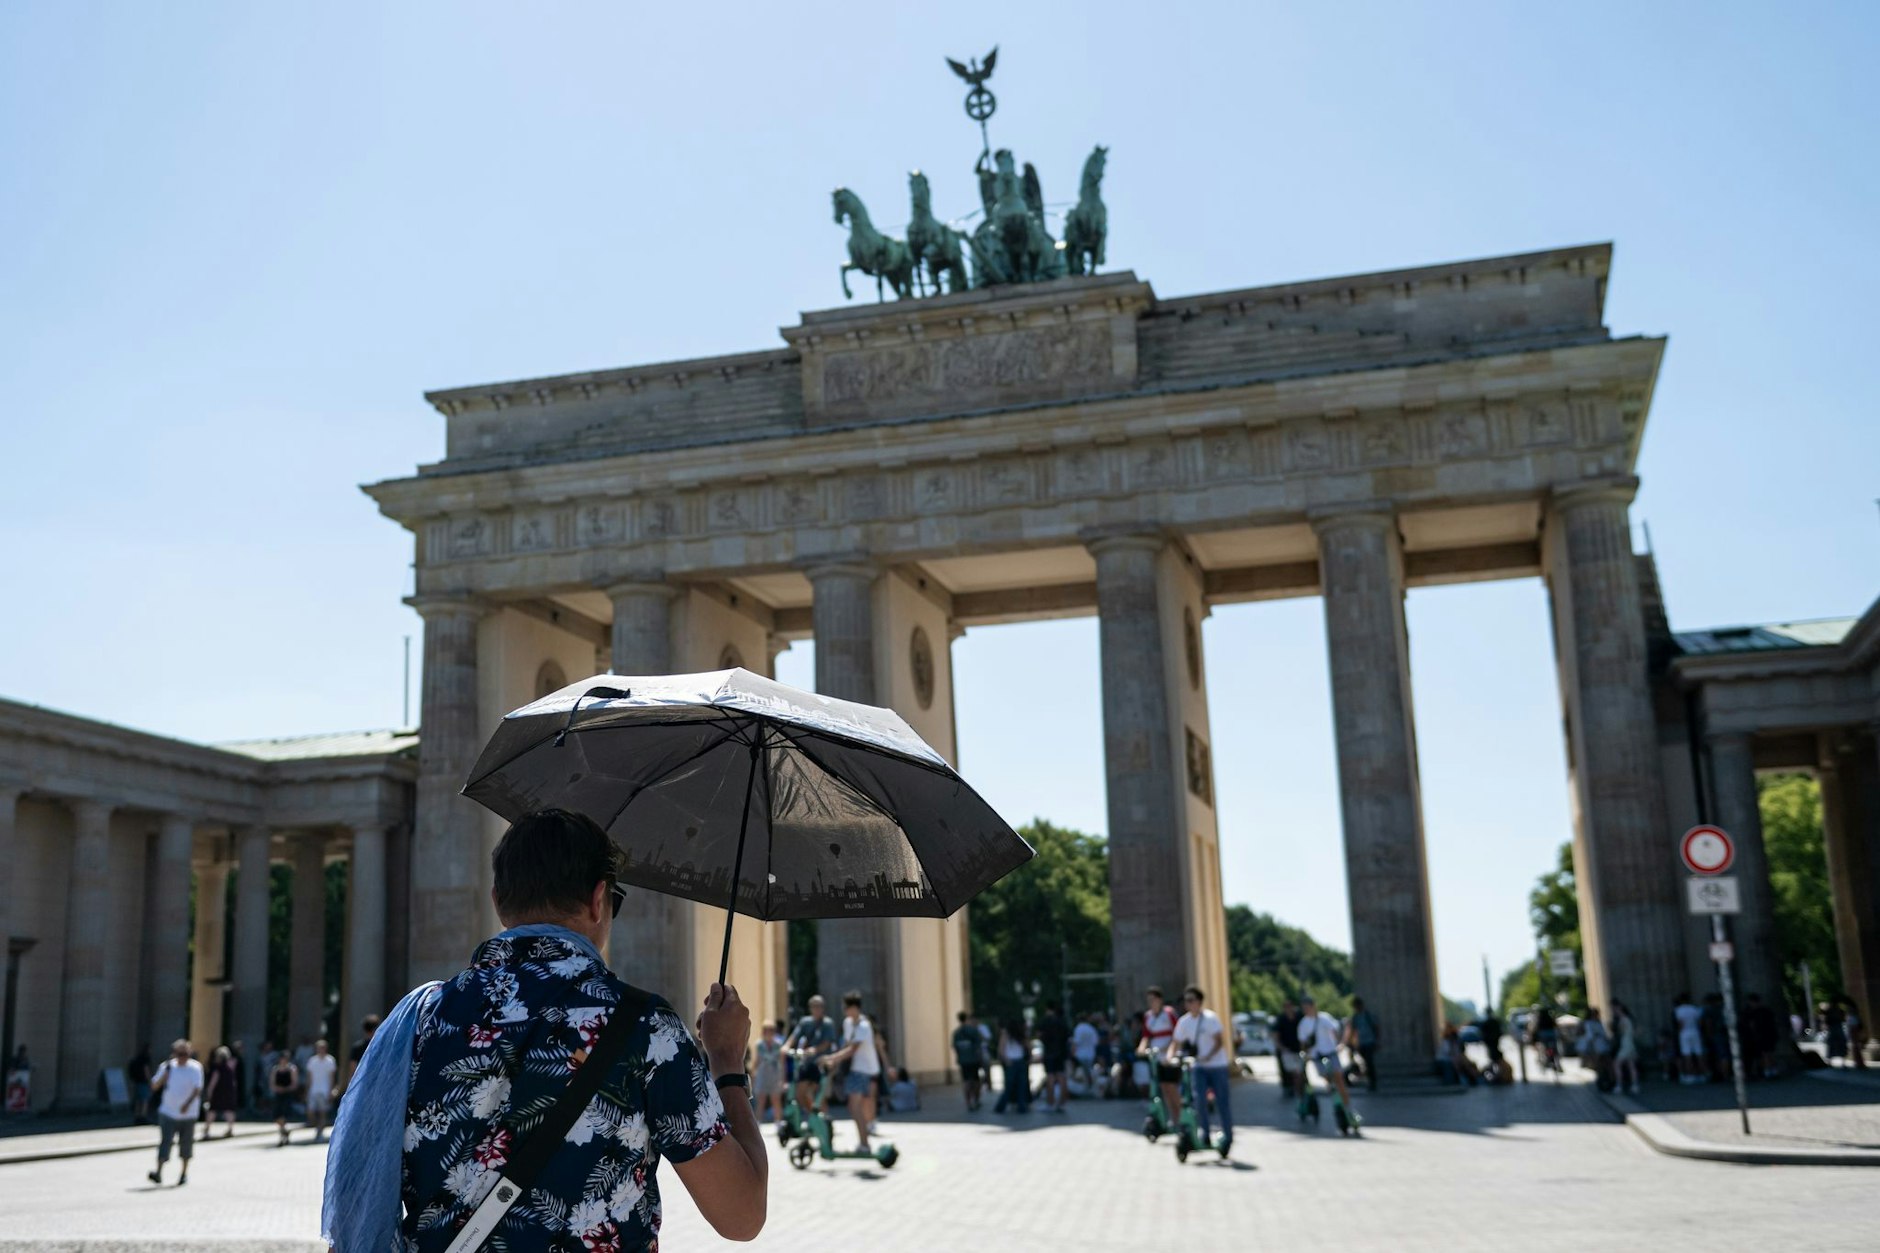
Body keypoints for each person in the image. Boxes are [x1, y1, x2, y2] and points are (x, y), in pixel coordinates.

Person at [321, 808, 767, 1253]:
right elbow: (741, 1215)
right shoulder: (648, 1030)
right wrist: (727, 1064)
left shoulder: (420, 1020)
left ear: (498, 902)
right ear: (598, 900)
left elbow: (361, 1190)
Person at [1168, 984, 1232, 1152]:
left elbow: (1219, 1041)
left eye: (1191, 1000)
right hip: (1198, 1067)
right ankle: (1204, 1133)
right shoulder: (1184, 1021)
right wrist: (1170, 1057)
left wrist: (1208, 1056)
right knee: (1199, 1100)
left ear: (1199, 1002)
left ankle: (1228, 1135)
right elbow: (1176, 1042)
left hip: (1217, 1065)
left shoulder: (1211, 1019)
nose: (1188, 1004)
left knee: (1222, 1101)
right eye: (1186, 1001)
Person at [824, 990, 883, 1153]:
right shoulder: (848, 1023)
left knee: (856, 1106)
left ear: (854, 1008)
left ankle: (865, 1143)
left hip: (862, 1070)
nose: (845, 1011)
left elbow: (853, 1049)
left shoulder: (864, 1025)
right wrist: (835, 1063)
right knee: (855, 1106)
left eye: (846, 1008)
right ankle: (864, 1141)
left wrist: (833, 1058)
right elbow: (846, 1045)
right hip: (853, 1070)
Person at [146, 1038, 203, 1187]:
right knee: (165, 1142)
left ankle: (183, 1173)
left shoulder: (195, 1068)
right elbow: (154, 1086)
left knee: (186, 1144)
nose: (182, 1057)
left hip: (188, 1114)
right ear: (174, 1053)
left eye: (185, 1053)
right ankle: (158, 1172)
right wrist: (164, 1077)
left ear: (189, 1053)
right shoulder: (167, 1067)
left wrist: (187, 1104)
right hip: (168, 1111)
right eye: (179, 1053)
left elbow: (197, 1089)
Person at [1297, 996, 1359, 1128]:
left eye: (1307, 1007)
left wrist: (1340, 1044)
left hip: (1330, 1053)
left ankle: (1349, 1109)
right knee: (1327, 1079)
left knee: (1339, 1079)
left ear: (1313, 1006)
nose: (1306, 1010)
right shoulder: (1303, 1023)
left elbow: (1334, 1031)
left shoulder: (1324, 1018)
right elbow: (1303, 1043)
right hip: (1316, 1056)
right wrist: (1305, 1055)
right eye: (1304, 1008)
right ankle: (1335, 1096)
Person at [782, 995, 840, 1115]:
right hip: (807, 1062)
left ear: (823, 1008)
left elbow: (827, 1043)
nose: (816, 1009)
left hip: (821, 1063)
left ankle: (824, 1121)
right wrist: (786, 1046)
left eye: (819, 1006)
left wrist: (815, 1049)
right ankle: (813, 1117)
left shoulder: (827, 1024)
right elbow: (794, 1036)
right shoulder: (805, 1022)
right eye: (814, 1006)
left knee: (819, 1094)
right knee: (800, 1093)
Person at [1140, 986, 1182, 1122]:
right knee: (1164, 1088)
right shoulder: (1148, 1016)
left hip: (1169, 1055)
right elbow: (1146, 1035)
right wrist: (1141, 1048)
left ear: (1160, 1000)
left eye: (1153, 999)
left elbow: (1178, 1033)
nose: (1151, 1003)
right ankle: (1173, 1117)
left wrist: (1169, 1049)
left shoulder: (1168, 1013)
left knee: (1171, 1086)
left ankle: (1181, 1115)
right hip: (1156, 1056)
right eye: (1149, 1000)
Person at [993, 1016, 1031, 1114]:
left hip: (1011, 1062)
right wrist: (1029, 1058)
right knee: (1021, 1085)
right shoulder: (1020, 1034)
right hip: (1020, 1061)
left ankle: (1001, 1106)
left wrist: (1005, 1060)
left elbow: (1001, 1049)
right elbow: (1028, 1046)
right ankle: (1021, 1106)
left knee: (1009, 1086)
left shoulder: (1006, 1034)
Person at [1037, 1001, 1070, 1112]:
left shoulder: (1046, 1021)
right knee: (1061, 1077)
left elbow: (1039, 1035)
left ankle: (1050, 1103)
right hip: (1061, 1052)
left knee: (1050, 1077)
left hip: (1049, 1052)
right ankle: (1062, 1103)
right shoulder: (1062, 1021)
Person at [303, 1038, 338, 1142]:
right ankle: (317, 1126)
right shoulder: (312, 1061)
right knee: (310, 1112)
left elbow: (332, 1077)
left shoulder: (330, 1060)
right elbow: (309, 1077)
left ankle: (320, 1131)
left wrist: (331, 1090)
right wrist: (307, 1090)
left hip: (324, 1089)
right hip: (313, 1089)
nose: (321, 1050)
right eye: (319, 1048)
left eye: (322, 1048)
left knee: (323, 1112)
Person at [203, 1044, 240, 1138]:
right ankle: (230, 1129)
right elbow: (233, 1082)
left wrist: (209, 1092)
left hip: (218, 1092)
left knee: (212, 1110)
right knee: (228, 1110)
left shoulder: (217, 1067)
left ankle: (206, 1130)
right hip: (228, 1092)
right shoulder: (229, 1069)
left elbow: (213, 1081)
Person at [752, 1021, 785, 1125]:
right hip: (762, 1074)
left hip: (775, 1074)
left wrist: (783, 1079)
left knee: (776, 1100)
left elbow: (782, 1062)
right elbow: (756, 1060)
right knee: (761, 1100)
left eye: (771, 1030)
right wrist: (753, 1075)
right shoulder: (759, 1044)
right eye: (766, 1030)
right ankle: (758, 1123)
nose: (769, 1033)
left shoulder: (778, 1044)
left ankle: (778, 1123)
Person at [952, 1011, 986, 1111]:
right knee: (976, 1080)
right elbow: (978, 1046)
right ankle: (976, 1099)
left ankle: (968, 1102)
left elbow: (955, 1047)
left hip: (963, 1060)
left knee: (966, 1081)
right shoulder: (973, 1030)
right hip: (973, 1059)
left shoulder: (956, 1033)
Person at [1346, 996, 1380, 1092]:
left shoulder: (1368, 1016)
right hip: (1361, 1043)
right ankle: (1368, 1080)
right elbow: (1353, 1031)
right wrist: (1351, 1043)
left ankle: (1372, 1082)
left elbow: (1376, 1027)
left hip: (1369, 1041)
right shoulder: (1356, 1017)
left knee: (1369, 1062)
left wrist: (1377, 1040)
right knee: (1364, 1063)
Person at [1274, 998, 1305, 1103]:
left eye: (1289, 1006)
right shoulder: (1281, 1019)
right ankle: (1290, 1088)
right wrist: (1281, 1047)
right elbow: (1276, 1035)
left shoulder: (1299, 1017)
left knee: (1301, 1071)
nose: (1288, 1009)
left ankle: (1301, 1089)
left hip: (1298, 1049)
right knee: (1290, 1071)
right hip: (1286, 1049)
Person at [1742, 993, 1779, 1079]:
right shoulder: (1766, 1011)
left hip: (1761, 1036)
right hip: (1768, 1035)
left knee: (1765, 1054)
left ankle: (1767, 1070)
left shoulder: (1752, 1012)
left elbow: (1752, 1025)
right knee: (1768, 1053)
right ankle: (1771, 1070)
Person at [268, 1049, 300, 1146]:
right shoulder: (275, 1069)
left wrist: (285, 1089)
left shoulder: (292, 1069)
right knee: (277, 1116)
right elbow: (272, 1083)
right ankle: (285, 1131)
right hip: (278, 1094)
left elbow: (294, 1084)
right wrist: (277, 1088)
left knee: (283, 1116)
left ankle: (282, 1137)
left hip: (287, 1094)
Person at [1577, 1008, 1613, 1090]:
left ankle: (1604, 1081)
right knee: (1603, 1065)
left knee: (1601, 1066)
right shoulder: (1592, 1023)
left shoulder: (1591, 1023)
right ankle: (1605, 1081)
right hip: (1598, 1047)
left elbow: (1590, 1036)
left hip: (1598, 1047)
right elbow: (1592, 1036)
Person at [1673, 992, 1705, 1083]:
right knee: (1699, 1054)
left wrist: (1679, 1032)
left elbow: (1680, 1023)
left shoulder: (1679, 1010)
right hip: (1695, 1031)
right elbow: (1700, 1022)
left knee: (1687, 1055)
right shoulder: (1694, 1009)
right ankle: (1702, 1074)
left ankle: (1690, 1075)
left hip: (1685, 1032)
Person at [1612, 1000, 1640, 1095]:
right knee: (1631, 1065)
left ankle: (1619, 1085)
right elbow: (1635, 1033)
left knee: (1616, 1064)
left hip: (1625, 1044)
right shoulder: (1629, 1019)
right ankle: (1635, 1085)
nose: (1614, 1011)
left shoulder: (1623, 1020)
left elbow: (1619, 1032)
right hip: (1630, 1043)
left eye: (1616, 1010)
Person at [1071, 1013, 1100, 1093]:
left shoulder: (1078, 1028)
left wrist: (1073, 1052)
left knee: (1083, 1072)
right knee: (1088, 1071)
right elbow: (1096, 1042)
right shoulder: (1091, 1028)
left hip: (1080, 1054)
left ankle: (1086, 1088)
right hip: (1090, 1053)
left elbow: (1076, 1042)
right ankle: (1090, 1086)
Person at [127, 1045, 153, 1124]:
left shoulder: (137, 1058)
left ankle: (137, 1116)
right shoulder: (146, 1058)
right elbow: (146, 1070)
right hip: (143, 1081)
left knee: (138, 1100)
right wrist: (150, 1081)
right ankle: (143, 1116)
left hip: (137, 1081)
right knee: (145, 1100)